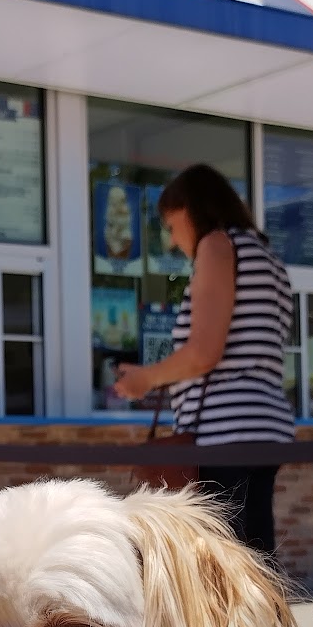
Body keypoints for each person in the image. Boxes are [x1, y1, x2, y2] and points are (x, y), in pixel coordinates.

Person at [114, 163, 294, 557]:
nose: (173, 238)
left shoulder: (217, 245)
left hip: (223, 432)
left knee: (222, 561)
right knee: (253, 553)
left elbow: (203, 353)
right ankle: (266, 621)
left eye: (171, 223)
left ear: (190, 208)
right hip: (264, 427)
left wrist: (146, 378)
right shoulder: (268, 258)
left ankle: (246, 622)